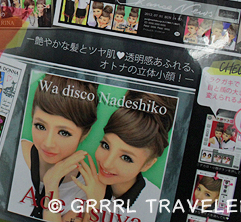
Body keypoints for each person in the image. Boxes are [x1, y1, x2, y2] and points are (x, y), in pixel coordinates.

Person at [73, 91, 176, 221]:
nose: (106, 164)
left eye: (126, 158)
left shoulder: (158, 208)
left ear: (148, 164)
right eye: (106, 145)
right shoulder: (84, 186)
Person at [9, 74, 97, 221]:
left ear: (85, 134)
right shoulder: (11, 153)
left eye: (64, 133)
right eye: (40, 126)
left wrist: (51, 185)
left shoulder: (85, 188)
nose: (48, 143)